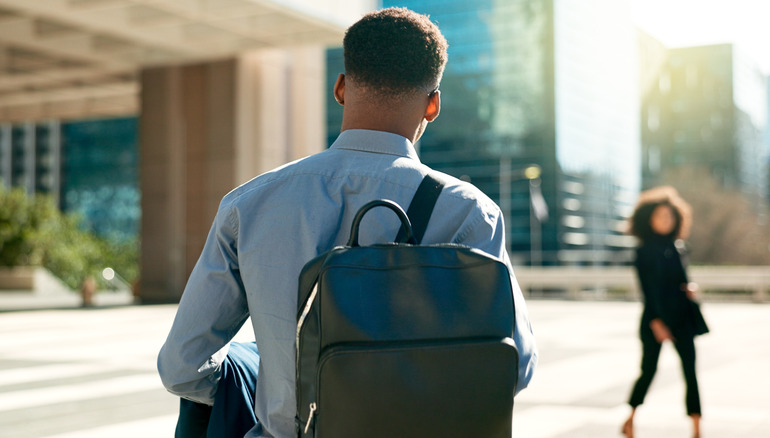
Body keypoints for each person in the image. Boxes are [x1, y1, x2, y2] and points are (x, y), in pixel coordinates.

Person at [157, 7, 538, 438]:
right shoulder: (469, 213)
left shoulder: (249, 204)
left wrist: (275, 387)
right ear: (433, 104)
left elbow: (182, 367)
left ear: (340, 87)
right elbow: (514, 369)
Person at [622, 186, 708, 438]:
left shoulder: (680, 247)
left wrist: (691, 290)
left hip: (682, 317)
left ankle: (697, 428)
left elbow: (681, 281)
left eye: (669, 216)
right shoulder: (644, 251)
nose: (665, 220)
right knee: (648, 371)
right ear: (648, 219)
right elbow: (648, 291)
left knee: (690, 371)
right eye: (660, 216)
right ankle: (630, 418)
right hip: (654, 319)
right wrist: (657, 322)